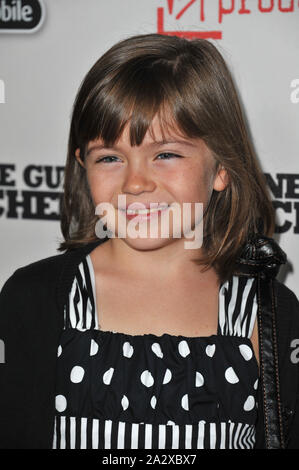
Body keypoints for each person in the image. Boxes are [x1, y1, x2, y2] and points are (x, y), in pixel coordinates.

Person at [0, 33, 299, 450]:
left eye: (166, 154)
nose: (136, 182)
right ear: (82, 165)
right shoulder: (33, 299)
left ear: (222, 167)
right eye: (110, 157)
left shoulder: (269, 313)